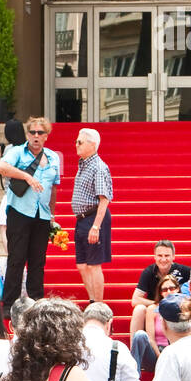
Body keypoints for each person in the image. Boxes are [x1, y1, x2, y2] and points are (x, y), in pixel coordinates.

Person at [0, 116, 60, 317]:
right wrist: (26, 176)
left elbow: (54, 187)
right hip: (19, 212)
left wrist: (52, 216)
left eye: (40, 133)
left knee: (38, 260)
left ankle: (36, 300)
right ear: (27, 134)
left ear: (46, 136)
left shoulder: (53, 157)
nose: (36, 136)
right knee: (16, 258)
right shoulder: (17, 152)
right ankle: (9, 304)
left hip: (42, 214)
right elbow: (1, 167)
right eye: (32, 132)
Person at [71, 128, 113, 301]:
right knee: (82, 265)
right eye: (76, 141)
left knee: (94, 265)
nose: (76, 145)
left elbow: (104, 199)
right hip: (81, 219)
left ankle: (99, 305)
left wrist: (95, 226)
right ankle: (92, 300)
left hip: (94, 217)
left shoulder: (98, 167)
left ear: (92, 144)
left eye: (80, 142)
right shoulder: (83, 164)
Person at [129, 239, 191, 340]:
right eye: (160, 256)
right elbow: (135, 300)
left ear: (173, 257)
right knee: (139, 309)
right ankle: (135, 350)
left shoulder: (185, 271)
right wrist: (159, 304)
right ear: (154, 257)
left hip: (178, 311)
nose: (163, 259)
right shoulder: (148, 272)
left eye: (167, 256)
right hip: (154, 312)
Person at [130, 272, 183, 375]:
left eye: (172, 288)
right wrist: (160, 357)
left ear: (177, 289)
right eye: (164, 289)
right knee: (140, 335)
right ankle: (133, 375)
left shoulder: (184, 307)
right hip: (156, 354)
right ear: (160, 292)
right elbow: (151, 339)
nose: (168, 292)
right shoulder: (153, 309)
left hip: (177, 355)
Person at [0, 119, 27, 251]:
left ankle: (12, 257)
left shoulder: (10, 150)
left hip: (10, 194)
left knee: (4, 226)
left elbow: (4, 171)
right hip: (26, 194)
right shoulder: (27, 148)